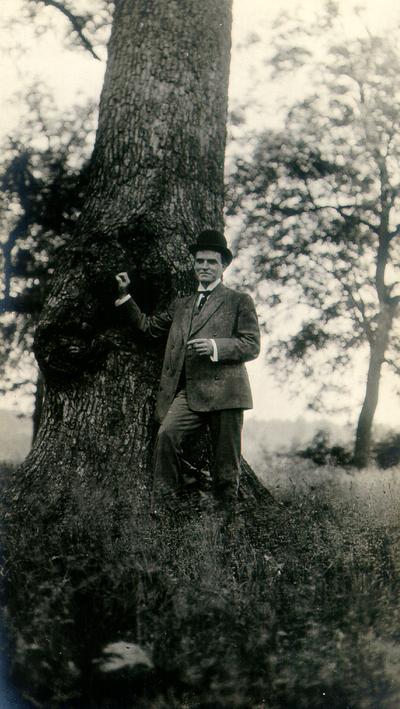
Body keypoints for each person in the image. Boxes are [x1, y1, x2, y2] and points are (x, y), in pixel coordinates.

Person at [115, 229, 260, 516]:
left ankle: (224, 524)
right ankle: (163, 513)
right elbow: (147, 327)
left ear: (223, 266)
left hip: (228, 394)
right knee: (166, 436)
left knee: (226, 464)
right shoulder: (181, 305)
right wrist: (123, 295)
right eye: (199, 261)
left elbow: (251, 345)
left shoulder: (238, 301)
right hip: (189, 394)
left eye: (211, 262)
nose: (204, 267)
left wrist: (215, 347)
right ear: (193, 264)